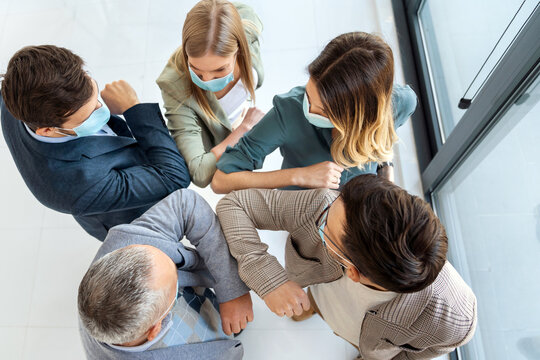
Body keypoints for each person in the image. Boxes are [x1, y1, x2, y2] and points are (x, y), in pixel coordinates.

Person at [216, 175, 477, 359]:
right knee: (303, 307)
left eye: (324, 228)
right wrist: (269, 279)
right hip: (317, 291)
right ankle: (312, 308)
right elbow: (233, 204)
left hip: (365, 338)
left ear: (352, 271)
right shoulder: (326, 204)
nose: (323, 211)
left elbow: (424, 352)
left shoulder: (453, 320)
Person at [0, 45, 190, 241]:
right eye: (89, 114)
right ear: (47, 130)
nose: (102, 108)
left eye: (95, 97)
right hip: (134, 216)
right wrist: (132, 107)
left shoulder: (14, 93)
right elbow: (174, 176)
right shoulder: (82, 184)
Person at [211, 32, 418, 193]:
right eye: (308, 95)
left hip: (359, 212)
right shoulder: (289, 112)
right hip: (303, 211)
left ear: (360, 115)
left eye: (324, 110)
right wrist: (299, 176)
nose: (308, 109)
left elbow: (385, 135)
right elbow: (221, 180)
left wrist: (385, 173)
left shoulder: (401, 103)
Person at [78, 189, 253, 360]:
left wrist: (231, 289)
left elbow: (186, 204)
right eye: (175, 280)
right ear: (154, 329)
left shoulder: (124, 243)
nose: (177, 263)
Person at [157, 0, 265, 188]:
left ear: (238, 50)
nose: (207, 81)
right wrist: (243, 129)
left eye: (220, 70)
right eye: (196, 70)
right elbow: (199, 172)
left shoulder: (248, 24)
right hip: (224, 141)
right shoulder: (174, 85)